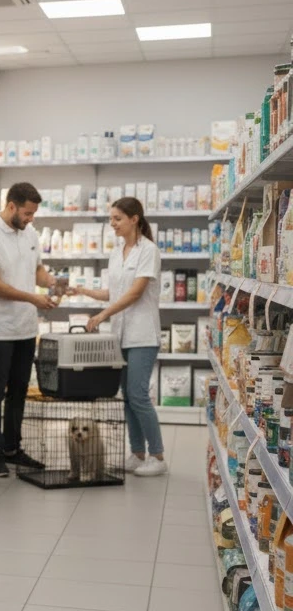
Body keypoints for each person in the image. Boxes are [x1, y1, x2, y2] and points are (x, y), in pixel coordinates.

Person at [0, 182, 62, 477]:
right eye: (27, 213)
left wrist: (53, 282)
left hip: (25, 326)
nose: (30, 218)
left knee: (19, 390)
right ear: (11, 206)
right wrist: (32, 298)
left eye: (33, 214)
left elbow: (37, 270)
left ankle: (13, 448)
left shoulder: (30, 233)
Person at [83, 197, 167, 477]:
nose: (112, 224)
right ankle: (137, 453)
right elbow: (114, 292)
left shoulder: (149, 251)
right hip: (120, 334)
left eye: (117, 218)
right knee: (127, 397)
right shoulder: (117, 252)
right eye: (111, 219)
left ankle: (157, 456)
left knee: (138, 395)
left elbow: (135, 293)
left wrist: (103, 315)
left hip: (143, 334)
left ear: (134, 219)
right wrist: (82, 291)